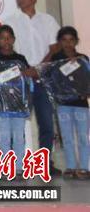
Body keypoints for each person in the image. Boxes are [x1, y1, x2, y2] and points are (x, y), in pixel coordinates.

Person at [4, 0, 61, 175]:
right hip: (19, 79)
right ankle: (16, 164)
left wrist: (39, 68)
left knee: (46, 123)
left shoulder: (48, 20)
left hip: (43, 79)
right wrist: (25, 70)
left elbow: (55, 48)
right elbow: (6, 48)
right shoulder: (10, 21)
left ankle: (45, 163)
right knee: (17, 123)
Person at [0, 25, 35, 176]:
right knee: (3, 136)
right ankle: (6, 167)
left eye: (8, 38)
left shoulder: (20, 59)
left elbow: (30, 77)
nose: (6, 41)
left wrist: (30, 72)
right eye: (2, 38)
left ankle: (18, 168)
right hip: (0, 104)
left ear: (13, 39)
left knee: (18, 136)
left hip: (18, 103)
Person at [47, 26, 88, 180]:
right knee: (67, 137)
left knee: (83, 136)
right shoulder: (55, 59)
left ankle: (84, 168)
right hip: (63, 104)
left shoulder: (83, 58)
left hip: (81, 104)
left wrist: (86, 92)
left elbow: (87, 79)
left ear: (76, 41)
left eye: (71, 40)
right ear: (59, 42)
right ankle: (70, 167)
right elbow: (50, 79)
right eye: (64, 40)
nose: (68, 43)